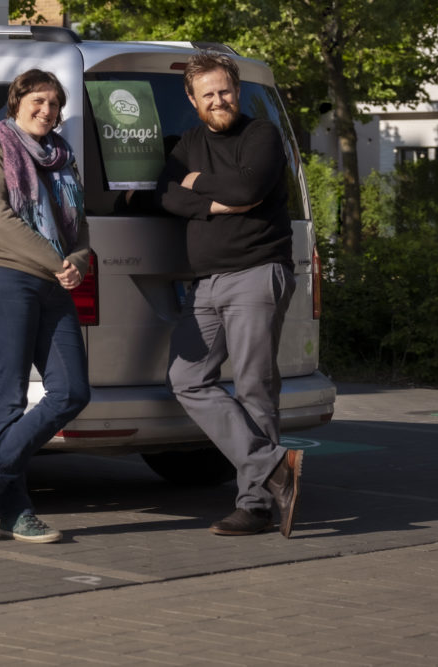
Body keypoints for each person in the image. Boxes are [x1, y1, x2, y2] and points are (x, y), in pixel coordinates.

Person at [155, 51, 303, 538]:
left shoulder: (261, 135)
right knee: (187, 378)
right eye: (208, 94)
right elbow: (166, 193)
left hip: (257, 272)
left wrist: (201, 188)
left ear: (236, 91)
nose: (218, 100)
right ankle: (274, 464)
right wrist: (215, 195)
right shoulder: (187, 144)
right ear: (192, 98)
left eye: (225, 91)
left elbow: (249, 188)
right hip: (207, 282)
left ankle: (256, 505)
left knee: (255, 386)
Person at [0, 69, 91, 544]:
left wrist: (76, 261)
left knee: (72, 391)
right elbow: (1, 221)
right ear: (16, 102)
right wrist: (59, 261)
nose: (47, 110)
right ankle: (15, 512)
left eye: (55, 103)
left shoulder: (62, 158)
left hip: (53, 282)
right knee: (10, 397)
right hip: (3, 277)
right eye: (38, 100)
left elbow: (81, 230)